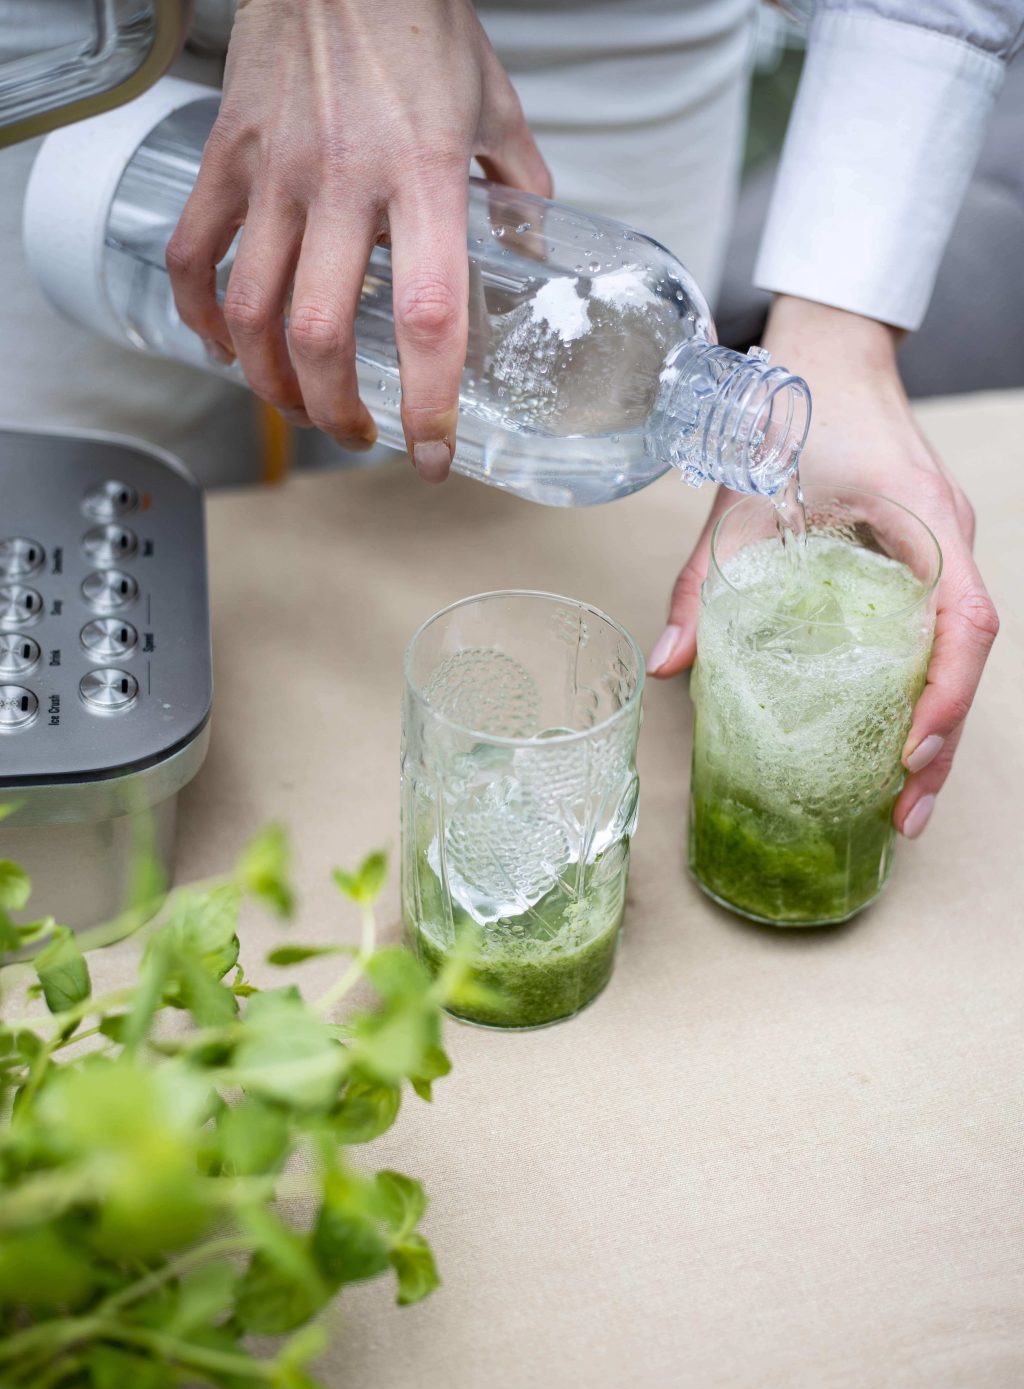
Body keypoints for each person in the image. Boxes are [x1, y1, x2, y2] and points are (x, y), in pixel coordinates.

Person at [14, 2, 1024, 836]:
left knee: (429, 544)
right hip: (109, 28)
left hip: (597, 29)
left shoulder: (654, 324)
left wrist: (839, 324)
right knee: (95, 545)